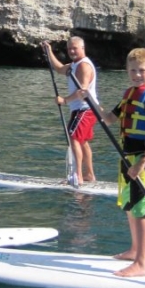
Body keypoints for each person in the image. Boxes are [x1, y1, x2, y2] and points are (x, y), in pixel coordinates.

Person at [96, 48, 145, 277]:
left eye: (142, 70)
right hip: (127, 159)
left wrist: (142, 162)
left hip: (143, 162)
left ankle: (142, 263)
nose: (137, 75)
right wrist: (92, 103)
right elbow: (109, 119)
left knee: (141, 210)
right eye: (133, 70)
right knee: (130, 207)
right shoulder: (129, 94)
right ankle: (134, 250)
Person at [41, 37, 98, 184]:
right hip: (81, 109)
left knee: (73, 138)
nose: (72, 51)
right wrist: (49, 52)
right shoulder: (74, 64)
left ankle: (78, 176)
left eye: (75, 48)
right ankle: (89, 175)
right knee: (83, 141)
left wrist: (64, 100)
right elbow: (59, 69)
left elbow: (82, 91)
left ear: (82, 48)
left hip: (85, 109)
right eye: (69, 49)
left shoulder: (83, 66)